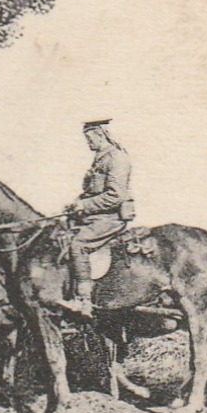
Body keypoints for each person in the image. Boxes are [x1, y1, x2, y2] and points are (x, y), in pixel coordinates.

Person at [62, 118, 134, 317]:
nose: (88, 143)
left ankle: (84, 299)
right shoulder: (100, 159)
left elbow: (116, 195)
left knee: (77, 244)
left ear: (101, 134)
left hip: (110, 218)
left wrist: (83, 205)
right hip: (95, 217)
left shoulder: (117, 158)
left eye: (89, 137)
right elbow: (91, 192)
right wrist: (75, 204)